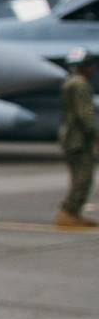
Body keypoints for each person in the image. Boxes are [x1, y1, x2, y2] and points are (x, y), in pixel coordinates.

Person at [57, 47, 96, 229]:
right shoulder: (80, 85)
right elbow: (85, 115)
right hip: (78, 139)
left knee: (79, 177)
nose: (93, 68)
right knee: (84, 177)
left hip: (70, 137)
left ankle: (73, 214)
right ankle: (69, 213)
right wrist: (97, 136)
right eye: (90, 64)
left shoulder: (70, 82)